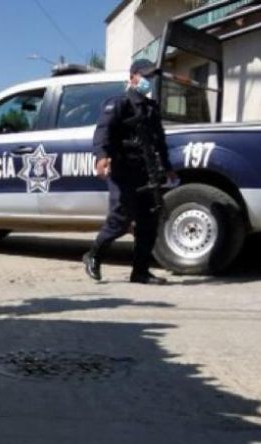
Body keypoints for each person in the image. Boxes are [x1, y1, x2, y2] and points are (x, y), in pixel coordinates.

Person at [82, 58, 178, 285]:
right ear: (133, 77)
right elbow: (102, 133)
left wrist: (168, 168)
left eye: (151, 76)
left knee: (148, 223)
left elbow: (160, 141)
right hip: (123, 171)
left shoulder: (151, 109)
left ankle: (140, 272)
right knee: (119, 220)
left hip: (147, 173)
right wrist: (102, 157)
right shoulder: (119, 103)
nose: (149, 80)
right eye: (145, 76)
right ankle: (93, 255)